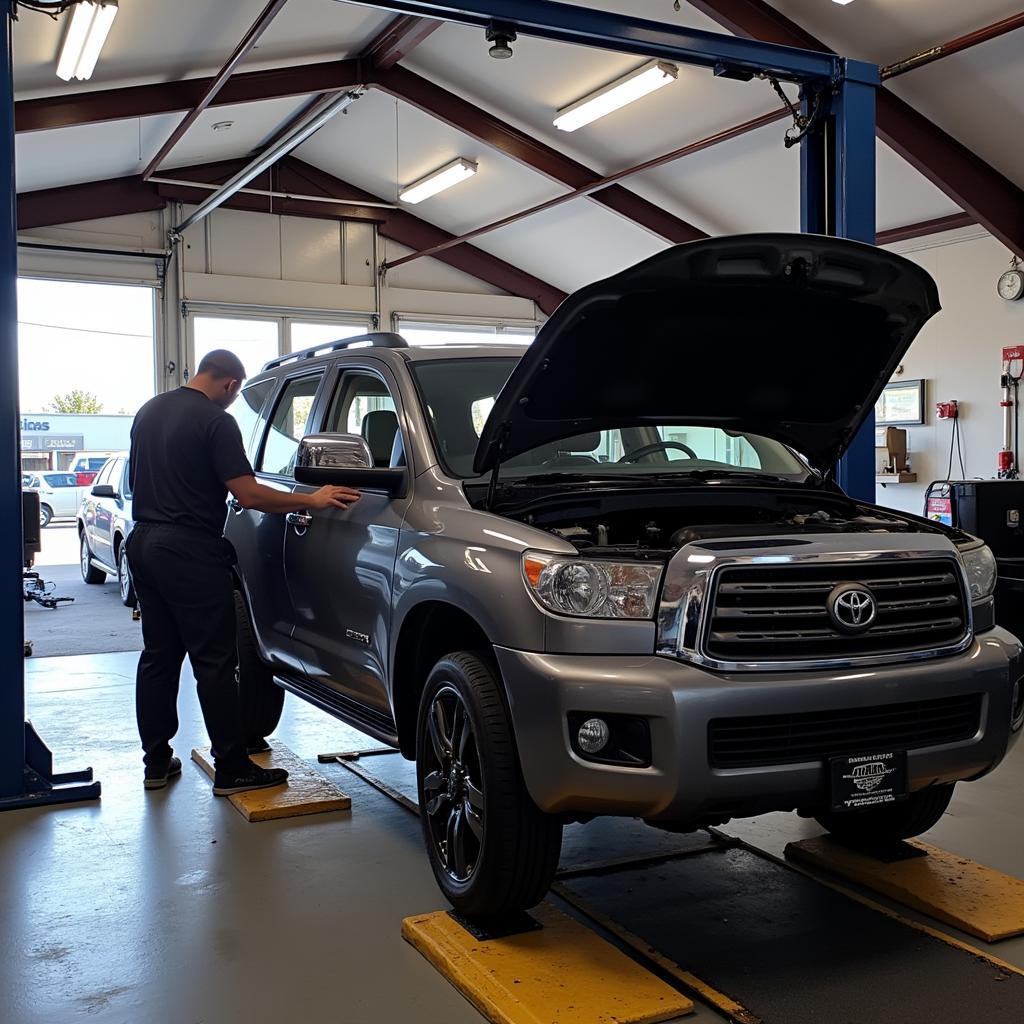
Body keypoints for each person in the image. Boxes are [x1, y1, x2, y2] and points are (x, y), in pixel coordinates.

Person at [127, 349, 360, 795]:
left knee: (159, 656)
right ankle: (232, 768)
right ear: (231, 385)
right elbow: (249, 494)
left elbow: (140, 483)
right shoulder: (216, 421)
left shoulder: (150, 411)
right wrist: (312, 499)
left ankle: (156, 762)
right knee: (215, 662)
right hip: (190, 550)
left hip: (145, 542)